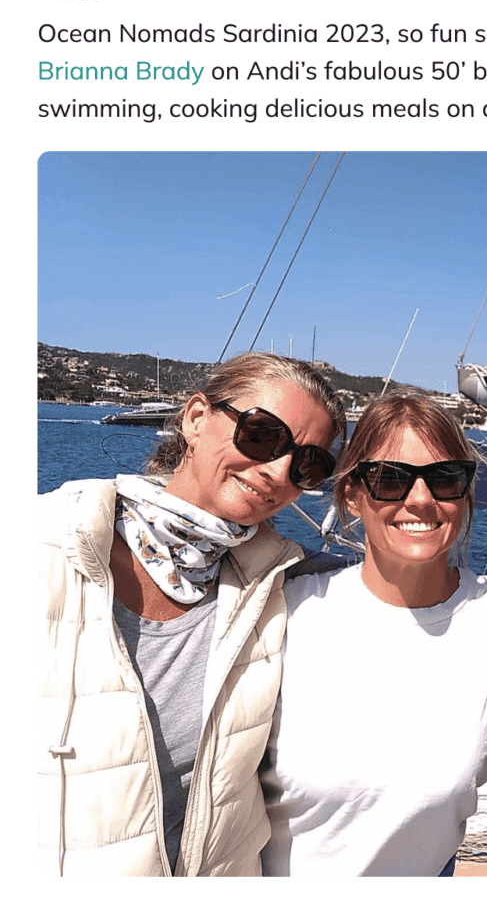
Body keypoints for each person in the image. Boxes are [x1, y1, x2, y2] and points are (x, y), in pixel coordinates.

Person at [40, 353, 346, 876]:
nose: (278, 471)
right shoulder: (41, 543)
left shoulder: (283, 580)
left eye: (308, 464)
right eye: (263, 435)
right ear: (196, 418)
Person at [261, 394, 487, 877]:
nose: (421, 499)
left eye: (445, 478)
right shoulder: (289, 612)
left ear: (466, 493)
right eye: (389, 479)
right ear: (351, 494)